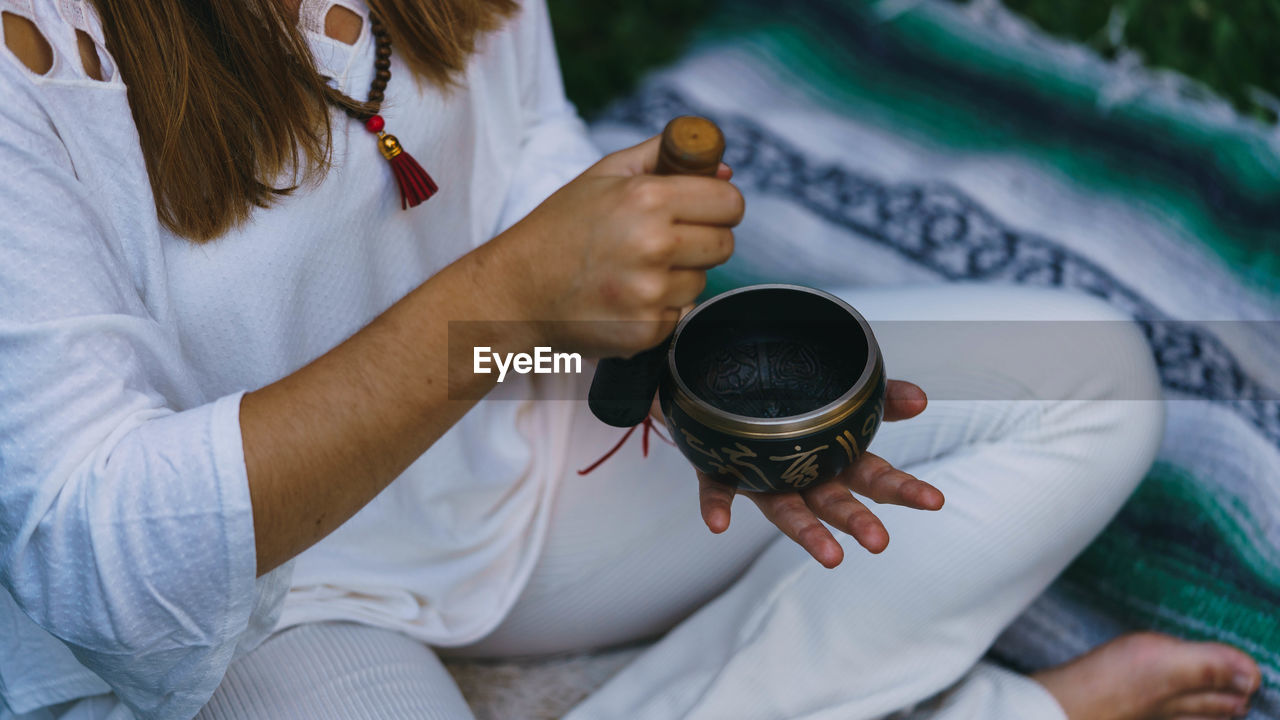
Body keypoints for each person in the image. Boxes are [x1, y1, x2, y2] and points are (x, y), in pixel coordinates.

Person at [0, 1, 1262, 718]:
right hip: (255, 611)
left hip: (503, 447)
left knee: (1085, 376)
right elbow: (92, 553)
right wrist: (519, 284)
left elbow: (521, 140)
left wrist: (671, 371)